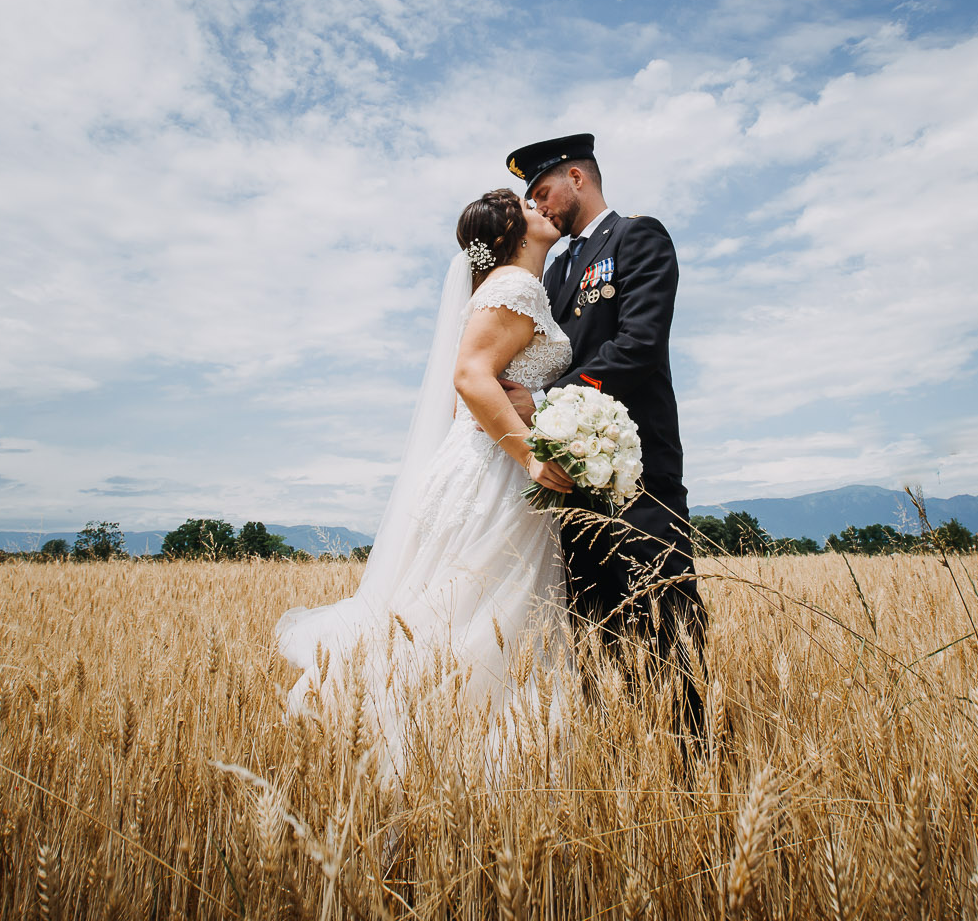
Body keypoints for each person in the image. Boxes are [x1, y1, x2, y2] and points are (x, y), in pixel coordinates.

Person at [274, 189, 577, 777]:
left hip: (483, 462)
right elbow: (470, 378)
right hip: (497, 469)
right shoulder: (515, 287)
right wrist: (531, 459)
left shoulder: (510, 288)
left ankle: (441, 747)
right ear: (512, 234)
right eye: (527, 206)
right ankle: (461, 755)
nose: (540, 206)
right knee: (484, 609)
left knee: (468, 606)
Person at [504, 133, 707, 738]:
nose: (539, 208)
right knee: (593, 633)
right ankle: (616, 764)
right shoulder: (559, 268)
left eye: (543, 193)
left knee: (664, 625)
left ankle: (692, 769)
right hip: (570, 484)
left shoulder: (638, 237)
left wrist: (545, 398)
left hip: (637, 472)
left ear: (576, 177)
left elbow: (638, 345)